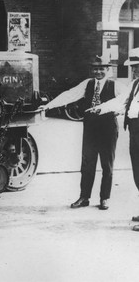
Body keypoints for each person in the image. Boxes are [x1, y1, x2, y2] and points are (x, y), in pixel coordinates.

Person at [41, 55, 125, 210]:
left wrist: (119, 111)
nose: (98, 71)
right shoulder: (87, 84)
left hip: (108, 129)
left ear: (108, 70)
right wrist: (48, 106)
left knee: (107, 165)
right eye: (95, 68)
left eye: (101, 68)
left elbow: (125, 101)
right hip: (90, 128)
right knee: (87, 164)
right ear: (91, 70)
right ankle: (84, 197)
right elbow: (70, 94)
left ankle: (105, 198)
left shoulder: (116, 85)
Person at [89, 48, 139, 230]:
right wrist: (100, 108)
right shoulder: (135, 84)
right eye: (133, 67)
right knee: (138, 173)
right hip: (135, 131)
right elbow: (120, 101)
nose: (134, 70)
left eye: (137, 67)